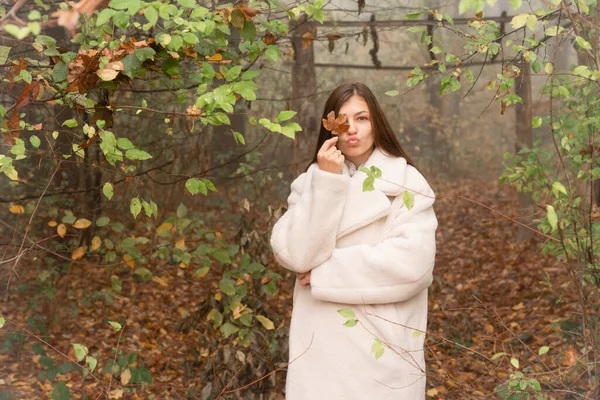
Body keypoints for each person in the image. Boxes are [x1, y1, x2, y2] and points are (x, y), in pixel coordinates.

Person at [270, 82, 438, 399]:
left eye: (362, 118)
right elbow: (295, 256)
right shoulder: (310, 183)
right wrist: (328, 181)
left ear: (377, 124)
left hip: (381, 351)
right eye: (343, 121)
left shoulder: (406, 183)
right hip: (320, 357)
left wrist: (324, 274)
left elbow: (411, 266)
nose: (352, 130)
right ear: (330, 128)